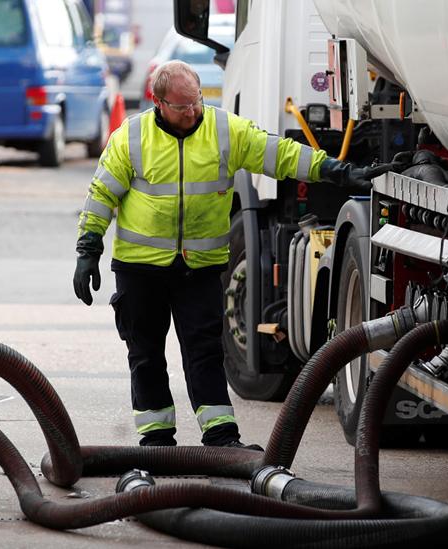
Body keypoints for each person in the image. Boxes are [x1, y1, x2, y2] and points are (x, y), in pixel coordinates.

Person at [73, 60, 378, 449]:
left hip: (198, 269)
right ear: (158, 103)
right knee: (145, 353)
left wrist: (336, 171)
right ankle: (156, 438)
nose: (193, 111)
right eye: (183, 107)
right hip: (140, 269)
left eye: (197, 100)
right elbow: (101, 196)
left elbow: (278, 154)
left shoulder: (223, 130)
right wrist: (88, 250)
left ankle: (220, 436)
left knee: (205, 352)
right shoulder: (131, 138)